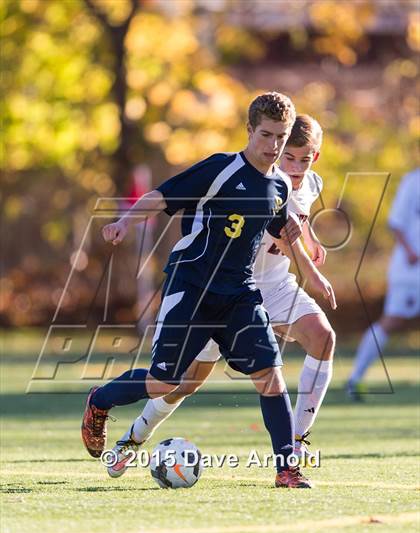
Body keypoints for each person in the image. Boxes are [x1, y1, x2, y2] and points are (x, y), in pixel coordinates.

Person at [82, 91, 312, 488]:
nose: (273, 146)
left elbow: (274, 227)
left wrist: (301, 250)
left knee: (271, 376)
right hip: (192, 287)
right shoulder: (221, 169)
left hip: (239, 294)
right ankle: (100, 400)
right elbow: (162, 196)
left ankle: (286, 469)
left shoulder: (279, 187)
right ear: (249, 131)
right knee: (165, 383)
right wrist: (125, 222)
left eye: (281, 137)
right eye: (266, 135)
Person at [123, 115, 337, 463]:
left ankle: (295, 442)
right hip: (234, 287)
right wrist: (310, 266)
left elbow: (296, 224)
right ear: (277, 150)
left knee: (322, 338)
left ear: (316, 156)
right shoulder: (267, 179)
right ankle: (134, 436)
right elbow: (283, 235)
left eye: (305, 158)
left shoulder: (311, 182)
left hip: (277, 284)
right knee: (183, 384)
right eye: (289, 157)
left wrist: (309, 241)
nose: (296, 167)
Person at [346, 168, 420, 401]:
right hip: (411, 272)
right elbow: (396, 222)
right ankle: (355, 378)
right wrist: (410, 252)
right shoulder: (413, 181)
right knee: (393, 321)